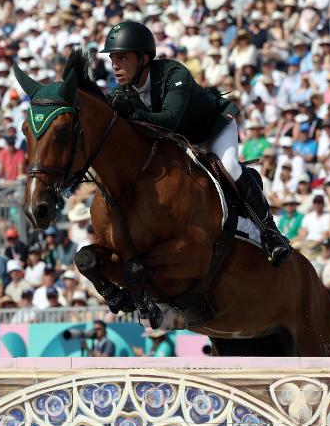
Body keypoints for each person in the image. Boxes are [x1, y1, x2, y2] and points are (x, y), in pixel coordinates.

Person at [103, 21, 291, 269]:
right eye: (113, 58)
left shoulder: (174, 73)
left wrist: (133, 115)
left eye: (122, 58)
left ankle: (270, 232)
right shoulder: (123, 92)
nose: (115, 65)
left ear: (144, 58)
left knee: (231, 168)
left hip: (212, 128)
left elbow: (169, 121)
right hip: (181, 141)